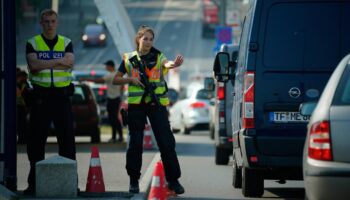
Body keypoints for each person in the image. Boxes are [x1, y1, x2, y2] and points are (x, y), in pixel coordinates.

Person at [113, 25, 185, 195]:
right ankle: (133, 181)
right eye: (145, 38)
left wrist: (174, 64)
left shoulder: (158, 56)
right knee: (135, 144)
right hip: (136, 106)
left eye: (151, 39)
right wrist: (130, 79)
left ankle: (173, 181)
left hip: (156, 104)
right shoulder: (128, 58)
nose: (148, 42)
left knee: (166, 142)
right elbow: (115, 79)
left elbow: (167, 63)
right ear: (139, 39)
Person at [24, 9, 76, 195]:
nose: (49, 25)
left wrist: (47, 62)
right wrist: (58, 60)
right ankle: (34, 184)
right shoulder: (33, 43)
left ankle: (71, 184)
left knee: (67, 142)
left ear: (57, 22)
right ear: (41, 23)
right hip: (41, 98)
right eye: (46, 21)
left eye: (53, 21)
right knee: (36, 143)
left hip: (62, 98)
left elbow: (69, 62)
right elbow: (34, 66)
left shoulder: (66, 42)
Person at [80, 60, 123, 142]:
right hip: (116, 98)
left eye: (106, 66)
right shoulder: (118, 74)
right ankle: (117, 136)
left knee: (113, 118)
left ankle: (117, 137)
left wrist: (86, 79)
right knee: (114, 118)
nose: (105, 67)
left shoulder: (111, 75)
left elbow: (98, 81)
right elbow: (122, 86)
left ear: (111, 66)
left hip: (112, 99)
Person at [16, 69, 29, 144]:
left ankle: (23, 139)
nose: (26, 79)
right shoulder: (18, 84)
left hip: (23, 106)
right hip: (19, 106)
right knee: (21, 124)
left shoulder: (24, 84)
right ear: (21, 77)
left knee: (23, 124)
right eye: (25, 77)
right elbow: (19, 95)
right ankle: (22, 139)